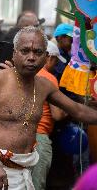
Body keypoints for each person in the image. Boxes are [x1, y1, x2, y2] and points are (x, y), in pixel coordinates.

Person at [0, 26, 97, 190]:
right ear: (14, 53)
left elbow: (78, 110)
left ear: (46, 57)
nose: (31, 57)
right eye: (25, 51)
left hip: (23, 169)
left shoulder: (45, 86)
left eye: (38, 52)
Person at [32, 40, 66, 190]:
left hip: (20, 136)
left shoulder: (22, 72)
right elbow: (57, 115)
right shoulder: (49, 78)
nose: (56, 65)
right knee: (37, 184)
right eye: (56, 61)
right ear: (49, 57)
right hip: (40, 138)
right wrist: (67, 110)